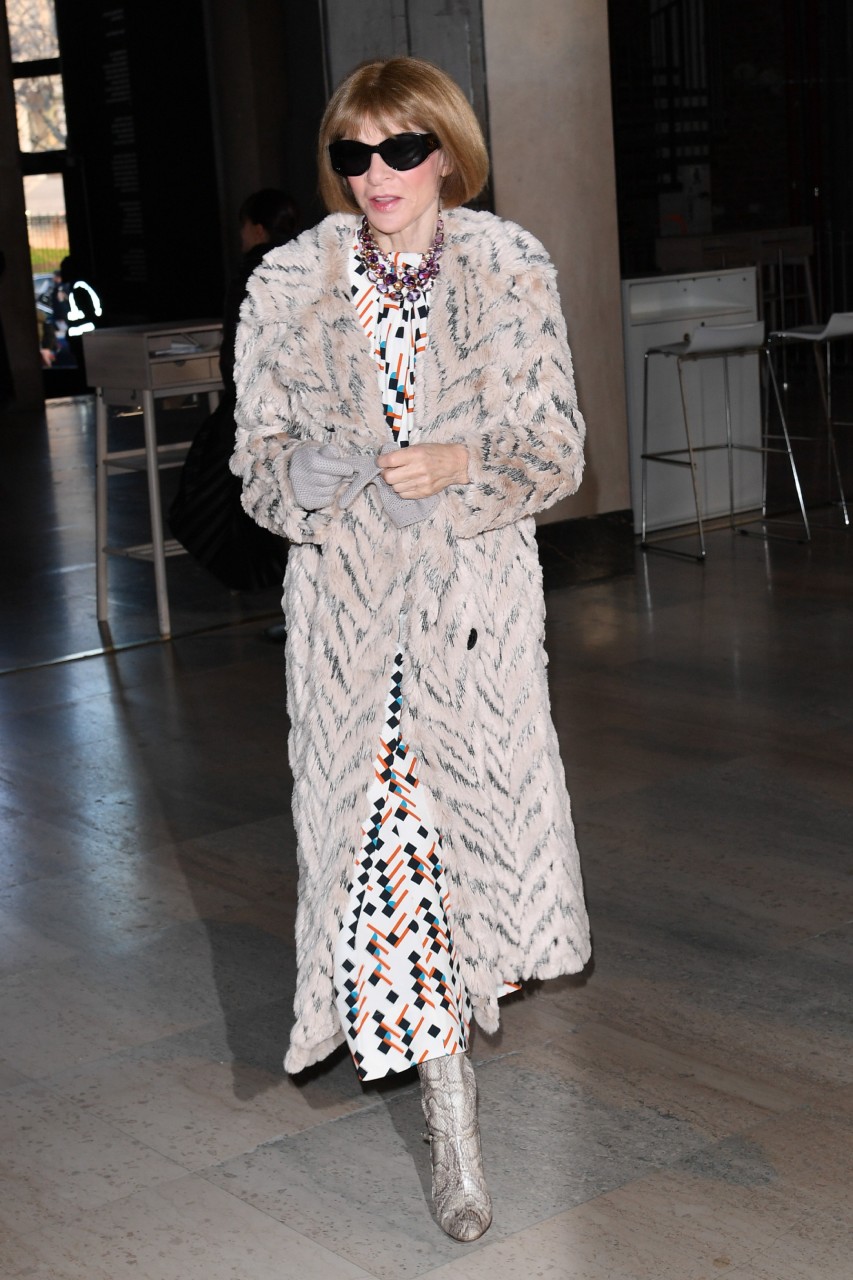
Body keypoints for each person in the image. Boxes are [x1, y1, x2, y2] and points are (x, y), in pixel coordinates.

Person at [230, 57, 591, 1242]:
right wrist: (304, 478)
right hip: (350, 627)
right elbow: (254, 465)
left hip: (470, 619)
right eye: (353, 153)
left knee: (465, 858)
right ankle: (454, 1129)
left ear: (447, 152)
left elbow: (557, 449)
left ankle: (451, 1078)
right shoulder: (288, 285)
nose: (375, 174)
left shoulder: (508, 269)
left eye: (400, 148)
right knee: (390, 859)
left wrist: (458, 464)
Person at [169, 190, 297, 592]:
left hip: (257, 408)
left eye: (243, 227)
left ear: (256, 228)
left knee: (215, 494)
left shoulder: (252, 269)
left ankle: (269, 581)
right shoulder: (305, 262)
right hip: (299, 405)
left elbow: (237, 350)